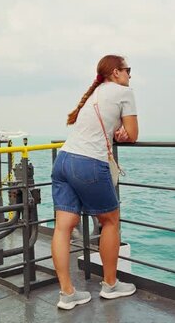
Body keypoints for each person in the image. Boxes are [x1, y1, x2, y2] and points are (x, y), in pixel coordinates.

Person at [51, 54, 139, 310]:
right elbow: (133, 134)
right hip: (88, 162)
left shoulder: (95, 93)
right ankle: (110, 285)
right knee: (110, 220)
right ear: (115, 72)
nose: (130, 75)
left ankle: (67, 293)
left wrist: (117, 131)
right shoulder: (125, 92)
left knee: (63, 227)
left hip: (64, 160)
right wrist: (123, 133)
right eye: (127, 70)